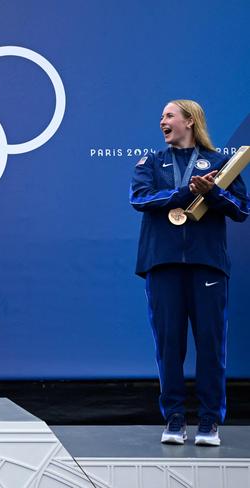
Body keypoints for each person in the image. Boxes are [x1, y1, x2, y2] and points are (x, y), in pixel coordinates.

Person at [130, 100, 248, 446]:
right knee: (169, 345)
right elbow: (139, 199)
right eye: (162, 115)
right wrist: (185, 192)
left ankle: (210, 421)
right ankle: (176, 419)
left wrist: (213, 194)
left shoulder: (220, 164)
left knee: (211, 345)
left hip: (207, 263)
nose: (162, 120)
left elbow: (242, 209)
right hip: (163, 263)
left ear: (190, 121)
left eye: (169, 115)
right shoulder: (150, 162)